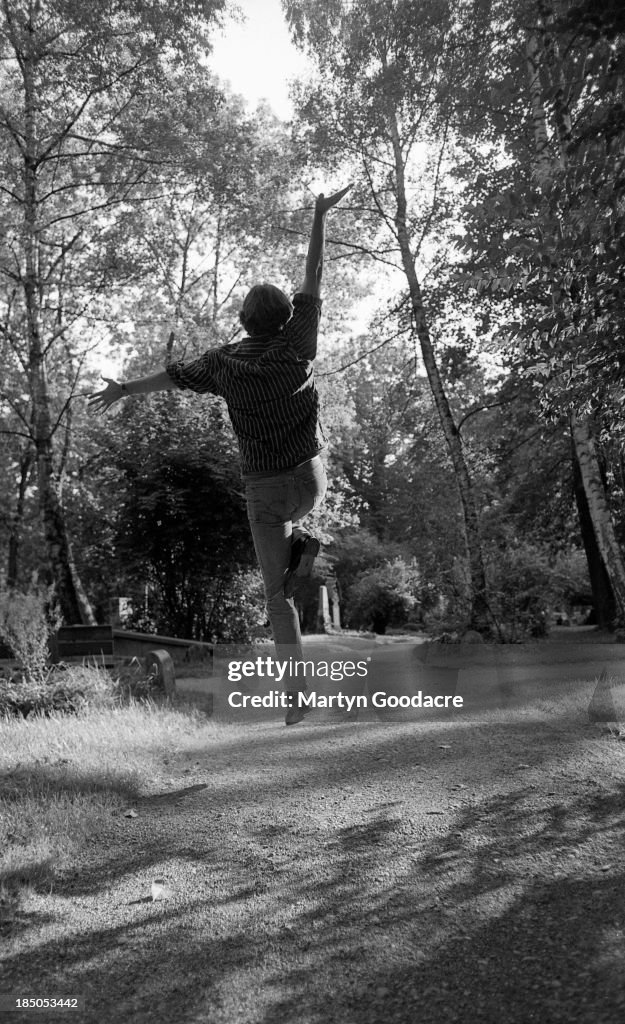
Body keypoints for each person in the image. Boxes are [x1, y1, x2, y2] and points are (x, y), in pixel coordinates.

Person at [89, 184, 352, 725]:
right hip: (311, 479)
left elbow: (175, 377)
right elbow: (315, 277)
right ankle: (303, 543)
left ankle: (295, 695)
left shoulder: (223, 364)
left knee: (277, 597)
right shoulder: (299, 342)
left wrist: (124, 389)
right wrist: (319, 217)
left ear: (245, 318)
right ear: (283, 316)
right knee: (298, 519)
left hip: (266, 491)